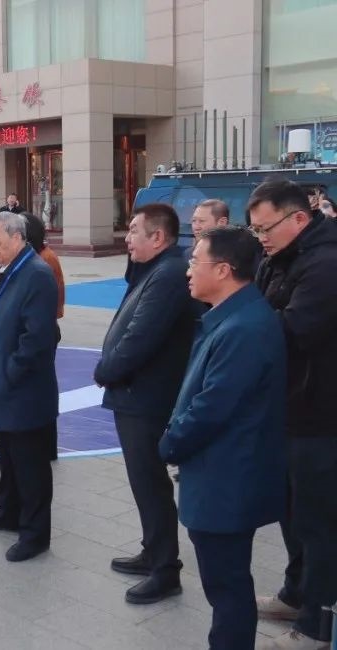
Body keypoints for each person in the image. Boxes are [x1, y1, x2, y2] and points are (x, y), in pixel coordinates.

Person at [160, 226, 286, 650]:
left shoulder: (243, 329)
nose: (188, 271)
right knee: (226, 583)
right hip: (223, 473)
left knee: (227, 586)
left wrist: (169, 443)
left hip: (227, 479)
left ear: (224, 270)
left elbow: (212, 407)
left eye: (195, 261)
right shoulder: (233, 317)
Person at [250, 179, 337, 650]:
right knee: (291, 513)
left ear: (299, 218)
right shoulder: (280, 257)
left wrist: (242, 321)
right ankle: (296, 592)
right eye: (255, 229)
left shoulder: (326, 264)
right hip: (287, 408)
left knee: (318, 521)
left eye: (266, 228)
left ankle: (317, 624)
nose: (260, 237)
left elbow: (291, 330)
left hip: (320, 415)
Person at [94, 203, 194, 604]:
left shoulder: (168, 274)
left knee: (150, 483)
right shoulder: (153, 269)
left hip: (147, 397)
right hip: (136, 393)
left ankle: (165, 569)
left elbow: (141, 336)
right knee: (144, 481)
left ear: (159, 237)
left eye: (135, 231)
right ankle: (153, 550)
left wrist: (106, 370)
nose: (128, 238)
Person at [0, 211, 58, 562]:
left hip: (24, 391)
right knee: (8, 457)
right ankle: (8, 511)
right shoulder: (12, 271)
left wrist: (10, 372)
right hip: (4, 388)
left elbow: (36, 338)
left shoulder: (36, 274)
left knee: (30, 465)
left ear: (17, 237)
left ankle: (35, 534)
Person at [22, 212, 64, 460]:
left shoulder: (44, 259)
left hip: (44, 329)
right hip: (43, 326)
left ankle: (47, 447)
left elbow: (50, 300)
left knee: (41, 387)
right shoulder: (37, 258)